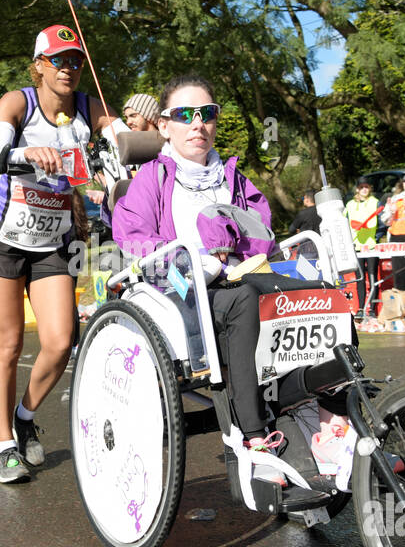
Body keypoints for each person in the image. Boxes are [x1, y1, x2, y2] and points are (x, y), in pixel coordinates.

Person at [114, 74, 312, 461]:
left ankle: (339, 407)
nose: (197, 123)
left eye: (207, 113)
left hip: (240, 276)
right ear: (164, 126)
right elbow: (133, 238)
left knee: (317, 288)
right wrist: (194, 257)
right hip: (182, 288)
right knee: (244, 300)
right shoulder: (151, 178)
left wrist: (232, 247)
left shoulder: (234, 177)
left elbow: (263, 234)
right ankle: (253, 433)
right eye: (185, 114)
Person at [0, 24, 125, 483]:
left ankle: (25, 415)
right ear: (39, 65)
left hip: (53, 241)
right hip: (3, 238)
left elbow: (122, 140)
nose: (69, 68)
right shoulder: (17, 102)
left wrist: (125, 144)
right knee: (9, 344)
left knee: (61, 341)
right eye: (59, 60)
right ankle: (5, 446)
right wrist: (27, 153)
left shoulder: (89, 106)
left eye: (76, 60)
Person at [345, 177, 382, 315]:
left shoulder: (375, 202)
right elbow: (344, 224)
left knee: (372, 276)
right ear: (357, 189)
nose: (364, 189)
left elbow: (382, 224)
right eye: (361, 187)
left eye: (366, 187)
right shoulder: (349, 205)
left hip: (371, 246)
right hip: (356, 247)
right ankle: (360, 308)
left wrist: (376, 238)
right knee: (360, 278)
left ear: (370, 188)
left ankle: (372, 309)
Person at [287, 190, 322, 260]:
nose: (303, 200)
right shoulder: (322, 210)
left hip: (307, 249)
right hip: (323, 247)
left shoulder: (302, 214)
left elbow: (291, 230)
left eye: (303, 198)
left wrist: (299, 230)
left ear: (307, 199)